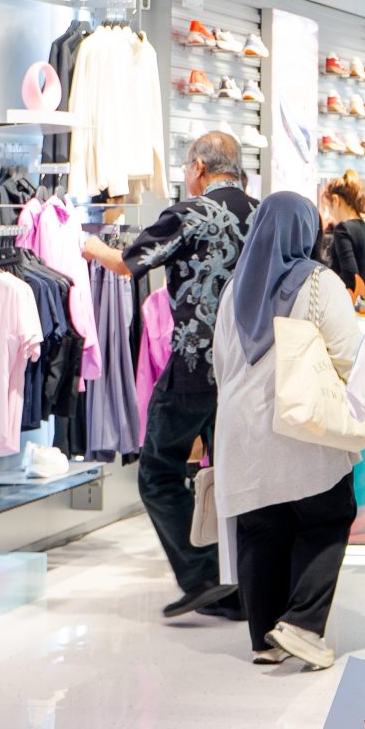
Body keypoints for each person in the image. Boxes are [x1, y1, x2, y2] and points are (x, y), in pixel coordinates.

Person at [82, 132, 257, 621]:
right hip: (249, 367)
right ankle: (244, 585)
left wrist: (91, 246)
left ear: (199, 167)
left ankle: (203, 576)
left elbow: (126, 265)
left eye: (185, 167)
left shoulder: (189, 214)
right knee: (235, 478)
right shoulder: (261, 214)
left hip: (195, 364)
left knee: (159, 472)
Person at [215, 192, 365, 669]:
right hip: (300, 424)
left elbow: (219, 363)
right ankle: (302, 624)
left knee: (261, 528)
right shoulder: (320, 282)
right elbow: (348, 354)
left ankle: (264, 639)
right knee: (328, 514)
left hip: (239, 430)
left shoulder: (234, 287)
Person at [317, 171, 365, 293]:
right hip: (364, 298)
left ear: (336, 200)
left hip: (347, 297)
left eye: (329, 206)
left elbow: (350, 277)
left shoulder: (342, 230)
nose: (330, 213)